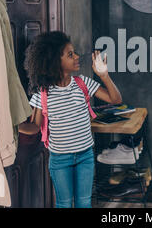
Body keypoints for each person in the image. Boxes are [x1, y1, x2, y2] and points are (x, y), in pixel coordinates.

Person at [24, 31, 122, 208]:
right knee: (64, 204)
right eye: (70, 54)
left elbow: (116, 100)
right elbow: (34, 126)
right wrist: (11, 127)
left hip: (85, 156)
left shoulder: (82, 83)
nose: (77, 56)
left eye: (74, 52)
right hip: (59, 159)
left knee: (84, 203)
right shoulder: (43, 93)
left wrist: (104, 76)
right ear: (55, 61)